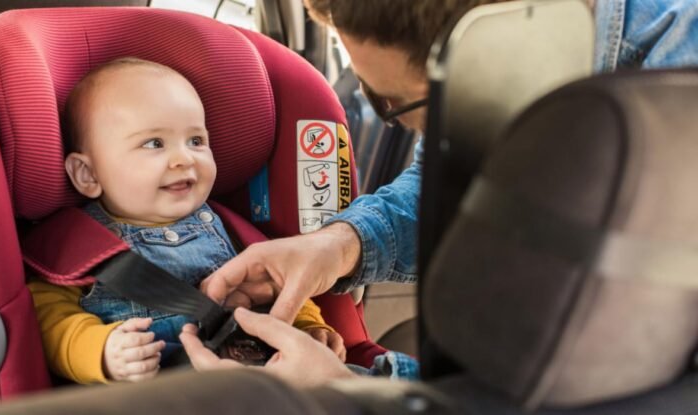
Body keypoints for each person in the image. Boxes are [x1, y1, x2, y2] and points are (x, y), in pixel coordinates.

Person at [181, 0, 698, 387]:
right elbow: (452, 175)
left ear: (496, 50)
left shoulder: (679, 95)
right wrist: (340, 245)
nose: (414, 130)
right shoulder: (507, 72)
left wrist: (348, 393)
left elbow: (616, 386)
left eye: (395, 104)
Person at [27, 57, 345, 384]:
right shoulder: (76, 247)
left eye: (196, 141)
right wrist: (103, 352)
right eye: (154, 143)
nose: (184, 159)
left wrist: (309, 328)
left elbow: (280, 286)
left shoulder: (231, 230)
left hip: (260, 385)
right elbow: (51, 321)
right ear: (88, 173)